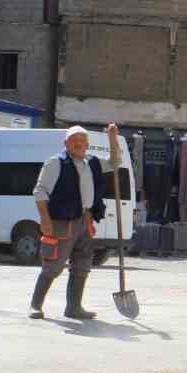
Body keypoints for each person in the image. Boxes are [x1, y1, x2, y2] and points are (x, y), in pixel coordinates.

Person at [30, 123, 120, 320]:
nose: (79, 143)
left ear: (87, 144)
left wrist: (112, 139)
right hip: (62, 221)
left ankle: (74, 307)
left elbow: (115, 163)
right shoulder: (56, 163)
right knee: (53, 265)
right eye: (75, 140)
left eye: (83, 140)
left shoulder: (93, 162)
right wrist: (45, 219)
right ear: (66, 143)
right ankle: (35, 305)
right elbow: (40, 191)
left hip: (85, 220)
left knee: (82, 263)